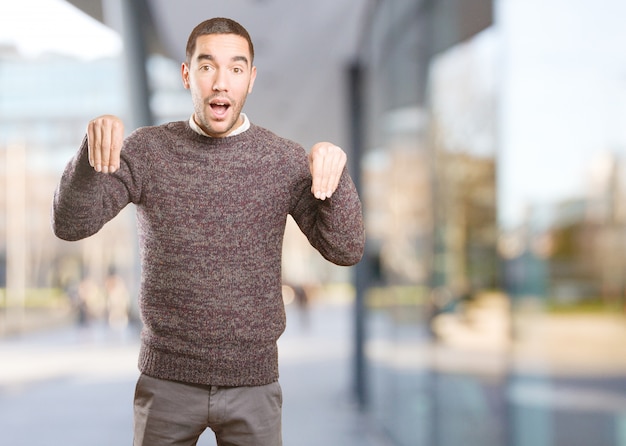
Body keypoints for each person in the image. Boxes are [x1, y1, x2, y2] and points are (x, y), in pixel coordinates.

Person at [52, 17, 365, 446]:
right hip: (166, 381)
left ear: (250, 80)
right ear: (187, 75)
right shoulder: (146, 151)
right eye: (207, 66)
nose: (221, 82)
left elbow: (347, 249)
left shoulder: (284, 160)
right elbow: (71, 224)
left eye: (236, 69)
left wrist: (338, 177)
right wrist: (90, 156)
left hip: (254, 384)